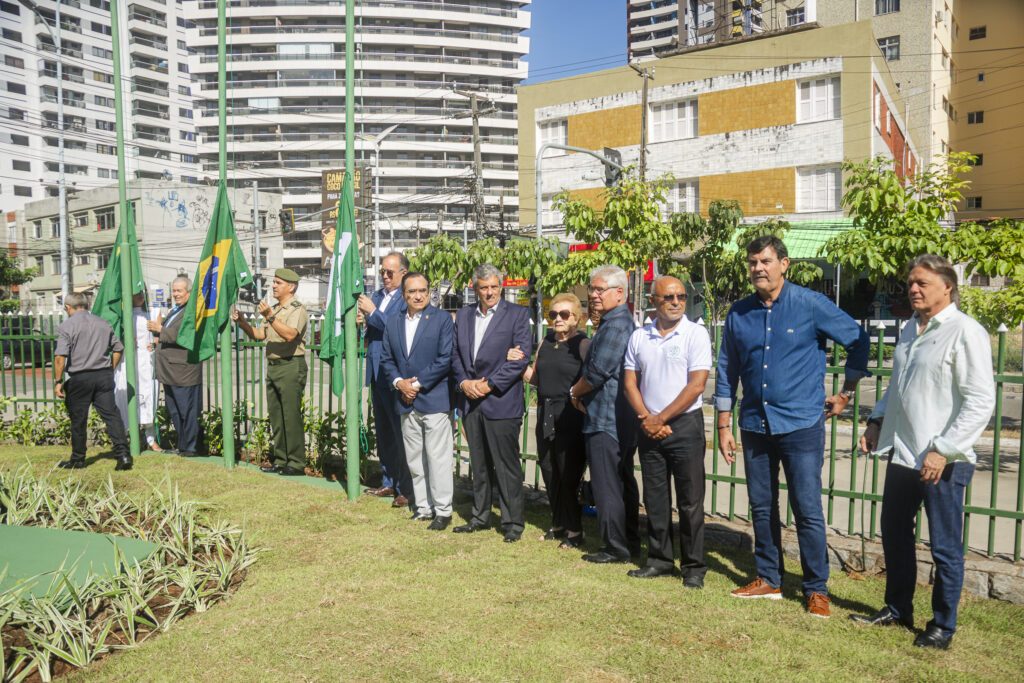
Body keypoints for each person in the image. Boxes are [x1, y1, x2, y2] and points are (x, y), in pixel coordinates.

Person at [715, 235, 870, 618]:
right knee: (762, 506)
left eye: (765, 261)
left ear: (784, 264)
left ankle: (817, 588)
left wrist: (846, 392)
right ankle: (769, 578)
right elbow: (726, 369)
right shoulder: (738, 313)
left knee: (807, 509)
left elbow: (859, 340)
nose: (758, 269)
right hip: (754, 424)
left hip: (801, 424)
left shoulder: (811, 304)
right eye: (752, 262)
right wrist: (722, 422)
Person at [852, 255, 995, 649]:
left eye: (922, 283)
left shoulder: (966, 332)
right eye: (911, 283)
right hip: (903, 453)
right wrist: (877, 422)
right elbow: (898, 385)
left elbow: (981, 401)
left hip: (942, 461)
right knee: (895, 535)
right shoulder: (910, 330)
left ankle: (942, 626)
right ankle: (897, 608)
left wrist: (945, 449)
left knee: (945, 547)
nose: (913, 289)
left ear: (947, 286)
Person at [623, 276, 712, 587]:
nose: (676, 302)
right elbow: (630, 383)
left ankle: (693, 568)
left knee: (690, 501)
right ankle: (660, 560)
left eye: (681, 297)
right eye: (668, 297)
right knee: (656, 497)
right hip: (649, 425)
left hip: (684, 425)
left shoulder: (695, 334)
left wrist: (660, 418)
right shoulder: (639, 337)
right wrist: (648, 418)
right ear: (654, 300)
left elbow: (696, 385)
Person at [451, 263, 531, 542]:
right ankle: (480, 516)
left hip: (502, 402)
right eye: (483, 287)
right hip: (471, 402)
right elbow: (456, 356)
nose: (489, 292)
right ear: (475, 288)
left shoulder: (517, 315)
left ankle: (512, 524)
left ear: (502, 286)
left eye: (494, 287)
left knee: (506, 465)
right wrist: (464, 383)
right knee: (479, 463)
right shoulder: (463, 315)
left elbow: (520, 359)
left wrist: (488, 384)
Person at [569, 265, 641, 564]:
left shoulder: (616, 325)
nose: (593, 295)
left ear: (620, 292)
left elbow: (598, 372)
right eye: (592, 289)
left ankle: (615, 547)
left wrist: (575, 391)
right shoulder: (614, 321)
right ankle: (628, 542)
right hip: (614, 417)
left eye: (600, 290)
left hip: (606, 418)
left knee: (607, 483)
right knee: (621, 481)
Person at [508, 293, 589, 548]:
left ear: (576, 318)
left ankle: (575, 531)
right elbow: (537, 379)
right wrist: (519, 364)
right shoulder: (545, 341)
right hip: (545, 411)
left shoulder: (583, 344)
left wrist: (579, 399)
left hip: (570, 412)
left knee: (569, 474)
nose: (558, 319)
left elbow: (592, 379)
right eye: (553, 314)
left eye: (564, 314)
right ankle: (558, 524)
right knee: (549, 470)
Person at [380, 272, 456, 530]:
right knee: (414, 458)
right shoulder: (392, 322)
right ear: (404, 295)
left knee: (438, 458)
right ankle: (423, 507)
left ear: (429, 293)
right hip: (405, 400)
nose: (418, 295)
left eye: (422, 290)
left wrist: (416, 384)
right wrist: (399, 383)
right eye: (412, 291)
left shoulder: (443, 319)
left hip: (433, 399)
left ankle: (443, 510)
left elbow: (445, 358)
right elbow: (387, 360)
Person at [232, 268, 309, 476]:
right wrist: (242, 323)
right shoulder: (274, 308)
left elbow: (290, 335)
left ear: (290, 287)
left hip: (291, 365)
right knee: (276, 416)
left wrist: (271, 317)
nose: (273, 286)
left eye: (278, 283)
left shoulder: (296, 308)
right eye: (274, 282)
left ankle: (296, 462)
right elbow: (259, 335)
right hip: (274, 366)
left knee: (290, 416)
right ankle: (281, 459)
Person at [52, 292, 132, 470]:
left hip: (80, 378)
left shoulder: (67, 326)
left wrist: (58, 381)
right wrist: (110, 369)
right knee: (111, 415)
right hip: (103, 375)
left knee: (79, 419)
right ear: (87, 305)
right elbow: (118, 348)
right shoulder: (103, 323)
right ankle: (124, 455)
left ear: (67, 307)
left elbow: (60, 358)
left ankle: (78, 459)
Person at [358, 251, 412, 509]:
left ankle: (404, 487)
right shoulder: (378, 295)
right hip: (376, 371)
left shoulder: (406, 296)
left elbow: (397, 327)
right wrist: (363, 321)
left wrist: (373, 313)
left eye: (390, 272)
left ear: (403, 273)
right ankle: (388, 479)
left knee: (401, 433)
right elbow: (373, 329)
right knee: (384, 432)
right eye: (382, 271)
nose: (385, 276)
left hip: (394, 373)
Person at [149, 276, 202, 458]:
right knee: (175, 411)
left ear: (189, 292)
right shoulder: (175, 310)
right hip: (169, 371)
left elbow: (186, 335)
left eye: (179, 291)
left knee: (187, 411)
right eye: (174, 291)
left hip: (184, 371)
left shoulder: (192, 311)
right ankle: (183, 445)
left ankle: (192, 447)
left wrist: (160, 330)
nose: (176, 294)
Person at [114, 291, 160, 452]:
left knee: (149, 398)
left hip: (146, 362)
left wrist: (155, 342)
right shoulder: (122, 314)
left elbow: (159, 335)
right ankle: (130, 438)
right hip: (128, 360)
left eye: (143, 293)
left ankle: (150, 438)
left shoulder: (153, 312)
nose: (141, 296)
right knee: (126, 398)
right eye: (136, 293)